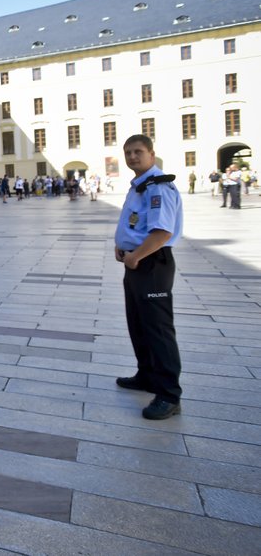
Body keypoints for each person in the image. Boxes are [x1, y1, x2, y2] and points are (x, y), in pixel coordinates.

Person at [113, 134, 183, 421]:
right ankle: (146, 375)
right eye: (128, 152)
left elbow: (162, 233)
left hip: (151, 264)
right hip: (137, 262)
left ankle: (168, 394)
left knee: (158, 329)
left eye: (138, 151)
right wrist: (124, 247)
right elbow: (137, 224)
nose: (132, 157)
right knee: (139, 323)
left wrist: (136, 255)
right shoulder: (139, 186)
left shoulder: (158, 188)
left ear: (152, 154)